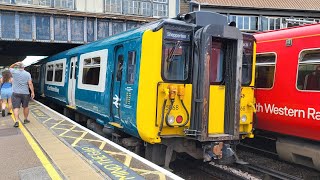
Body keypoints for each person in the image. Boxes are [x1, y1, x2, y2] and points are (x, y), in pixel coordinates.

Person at [9, 62, 35, 128]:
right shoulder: (27, 74)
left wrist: (15, 63)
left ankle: (16, 121)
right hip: (25, 93)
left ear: (18, 67)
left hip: (15, 93)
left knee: (16, 108)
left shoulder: (14, 72)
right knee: (25, 107)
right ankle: (25, 119)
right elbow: (30, 84)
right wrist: (32, 92)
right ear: (24, 67)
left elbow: (10, 67)